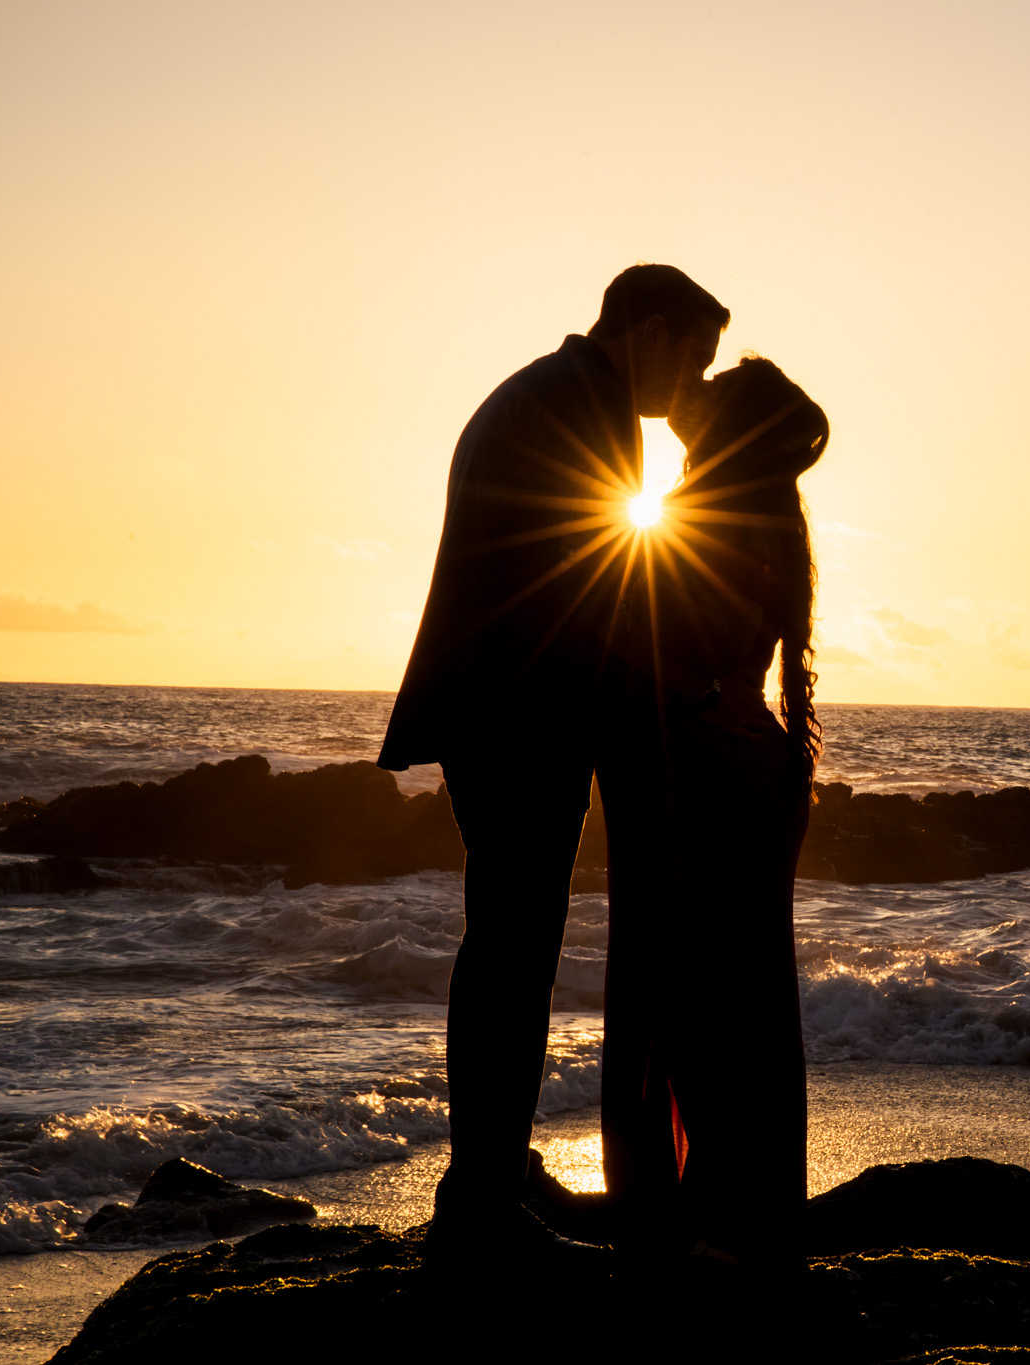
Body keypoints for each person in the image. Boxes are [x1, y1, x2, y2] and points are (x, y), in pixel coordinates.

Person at [375, 263, 727, 1248]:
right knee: (510, 952)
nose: (688, 384)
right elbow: (601, 578)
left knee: (510, 945)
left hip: (505, 707)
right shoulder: (581, 409)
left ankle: (495, 1170)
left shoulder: (560, 395)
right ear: (649, 333)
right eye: (690, 357)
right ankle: (481, 1197)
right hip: (513, 713)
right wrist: (694, 687)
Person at [599, 355, 827, 1284]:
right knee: (746, 1001)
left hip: (705, 776)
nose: (701, 389)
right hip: (755, 770)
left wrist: (693, 687)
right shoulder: (772, 514)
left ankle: (691, 1222)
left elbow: (650, 645)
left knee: (686, 999)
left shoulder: (706, 517)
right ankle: (739, 1215)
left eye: (719, 389)